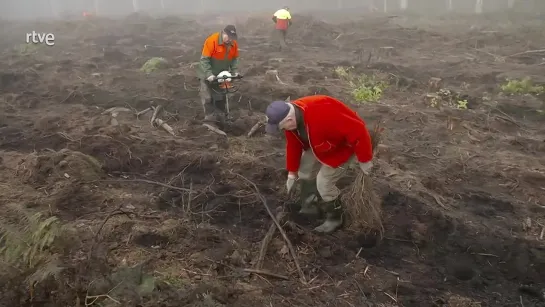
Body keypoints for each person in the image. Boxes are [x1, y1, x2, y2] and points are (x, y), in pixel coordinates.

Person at [265, 95, 374, 233]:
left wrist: (364, 159)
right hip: (319, 145)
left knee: (324, 183)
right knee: (304, 170)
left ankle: (335, 218)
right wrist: (292, 174)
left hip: (341, 147)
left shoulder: (323, 112)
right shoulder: (291, 120)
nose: (282, 131)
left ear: (290, 120)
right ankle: (310, 205)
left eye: (282, 127)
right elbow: (293, 146)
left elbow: (358, 130)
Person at [196, 25, 240, 125]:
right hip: (206, 73)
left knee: (220, 97)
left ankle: (221, 118)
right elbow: (204, 60)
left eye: (232, 38)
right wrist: (209, 74)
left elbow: (234, 59)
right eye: (228, 37)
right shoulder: (212, 41)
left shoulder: (233, 43)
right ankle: (209, 121)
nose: (229, 40)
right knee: (207, 97)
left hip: (221, 75)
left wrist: (234, 71)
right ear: (223, 33)